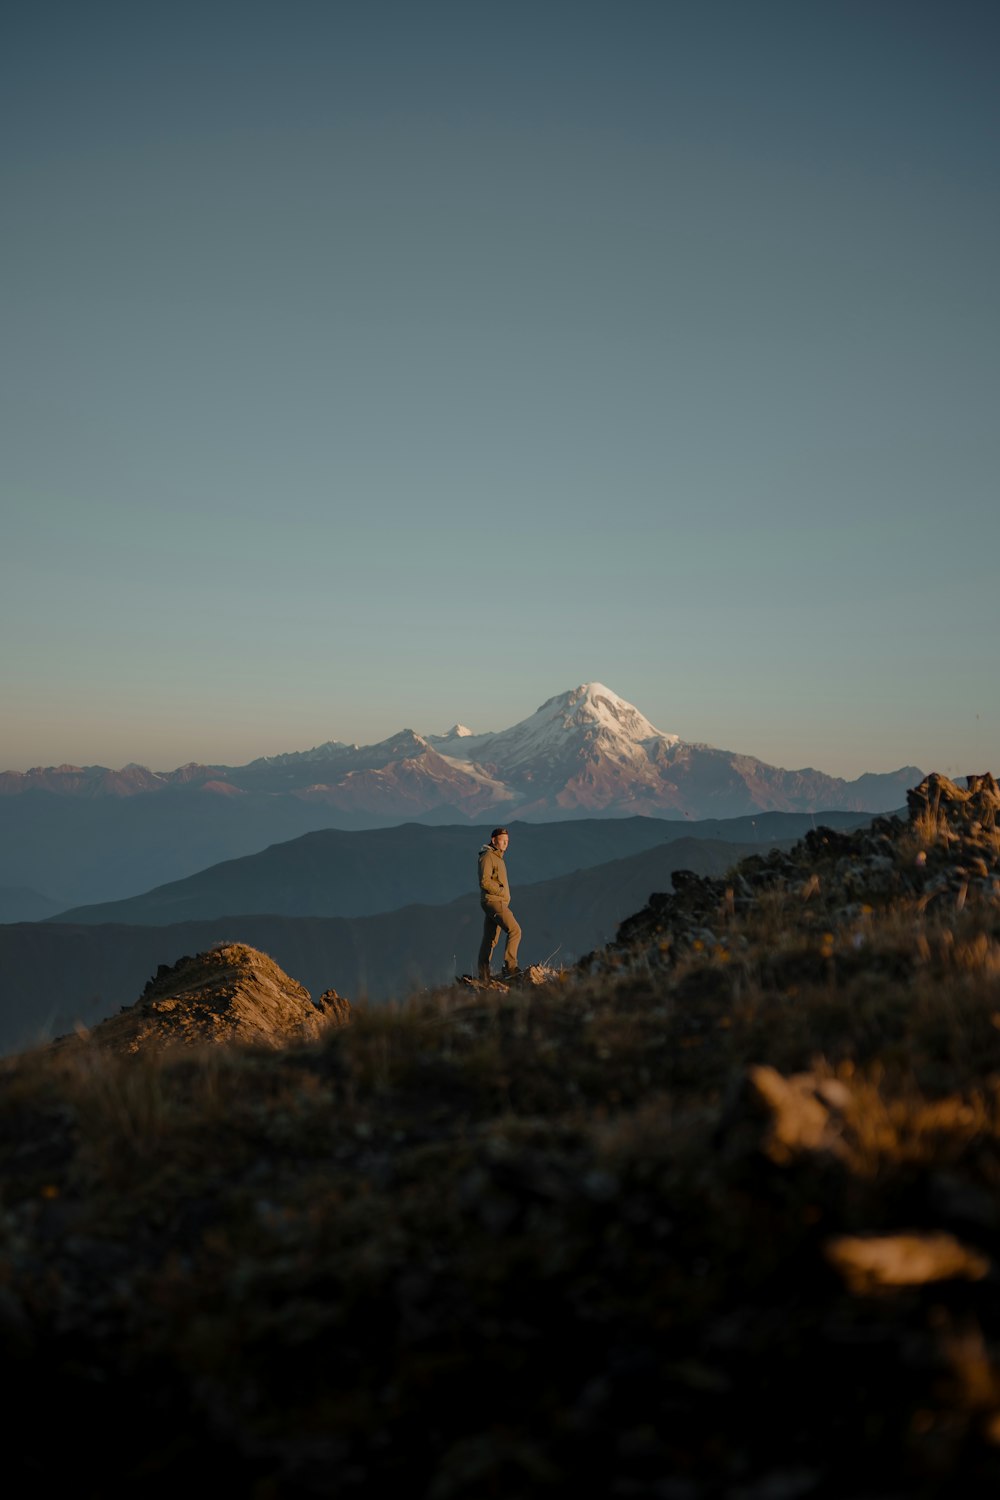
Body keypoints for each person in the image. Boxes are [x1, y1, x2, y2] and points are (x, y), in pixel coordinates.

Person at [477, 826, 522, 980]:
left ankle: (483, 975)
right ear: (494, 840)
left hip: (495, 901)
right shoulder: (488, 856)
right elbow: (484, 881)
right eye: (502, 840)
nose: (505, 844)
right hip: (494, 902)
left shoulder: (497, 857)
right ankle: (510, 968)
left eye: (507, 841)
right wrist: (501, 890)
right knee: (515, 930)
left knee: (489, 939)